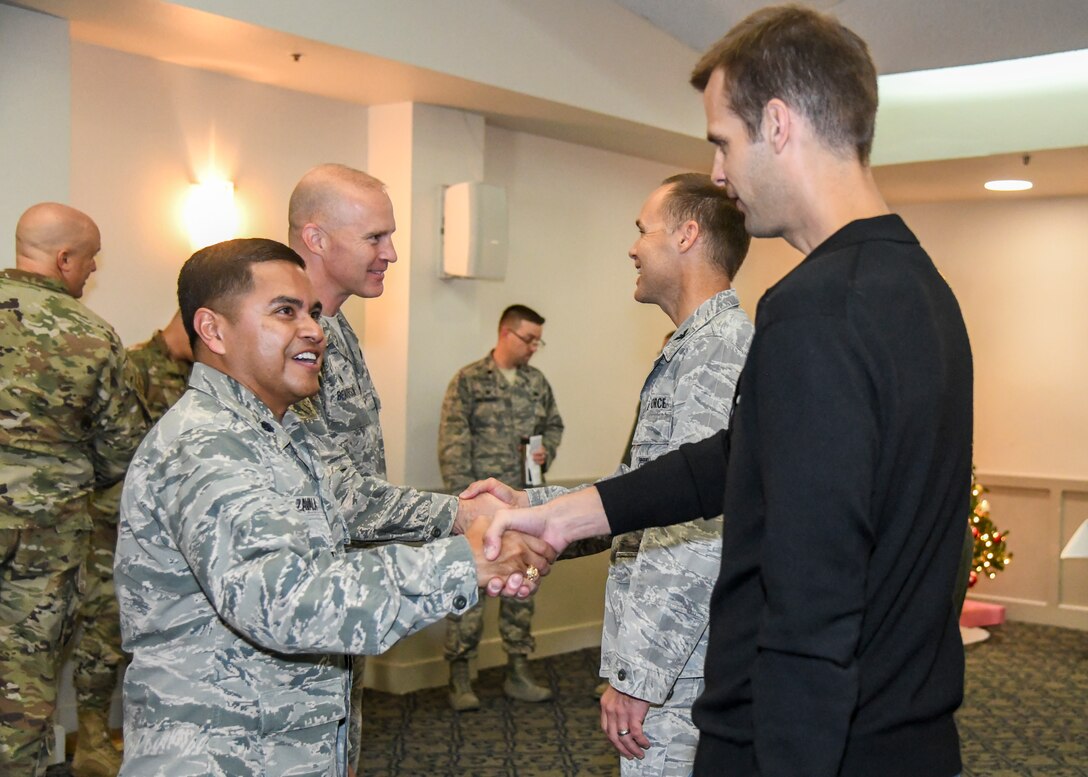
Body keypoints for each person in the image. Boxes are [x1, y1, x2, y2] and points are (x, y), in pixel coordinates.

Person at [480, 6, 972, 776]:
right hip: (899, 735)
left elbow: (814, 602)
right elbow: (738, 459)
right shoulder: (917, 287)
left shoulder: (817, 308)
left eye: (723, 142)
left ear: (778, 125)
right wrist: (563, 517)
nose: (717, 173)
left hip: (814, 744)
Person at [114, 238, 553, 777]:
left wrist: (470, 515)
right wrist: (468, 560)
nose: (315, 330)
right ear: (212, 329)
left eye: (313, 312)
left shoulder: (281, 429)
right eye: (285, 311)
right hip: (221, 755)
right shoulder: (205, 443)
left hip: (290, 745)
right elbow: (288, 600)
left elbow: (358, 500)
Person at [483, 174, 752, 773]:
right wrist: (532, 504)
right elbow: (636, 492)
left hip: (683, 664)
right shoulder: (690, 345)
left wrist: (641, 675)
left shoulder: (720, 351)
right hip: (676, 657)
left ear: (687, 235)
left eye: (642, 230)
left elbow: (696, 526)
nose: (633, 248)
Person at [289, 163, 483, 770]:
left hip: (344, 596)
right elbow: (336, 495)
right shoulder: (287, 338)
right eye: (375, 237)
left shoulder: (335, 328)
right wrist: (464, 516)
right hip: (298, 606)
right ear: (316, 238)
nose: (392, 253)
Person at [0, 203, 147, 776]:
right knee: (25, 689)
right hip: (44, 542)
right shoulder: (91, 335)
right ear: (64, 258)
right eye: (89, 259)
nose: (91, 271)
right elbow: (121, 451)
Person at [70, 310, 193, 777]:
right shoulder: (133, 366)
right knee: (104, 633)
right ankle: (93, 738)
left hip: (176, 532)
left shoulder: (206, 377)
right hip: (115, 524)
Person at [438, 304, 564, 710]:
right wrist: (466, 509)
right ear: (505, 333)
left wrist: (547, 451)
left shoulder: (536, 383)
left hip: (525, 511)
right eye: (529, 339)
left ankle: (518, 669)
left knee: (524, 585)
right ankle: (460, 675)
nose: (534, 348)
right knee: (470, 591)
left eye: (537, 341)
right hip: (480, 515)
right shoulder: (470, 381)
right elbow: (453, 445)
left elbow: (553, 426)